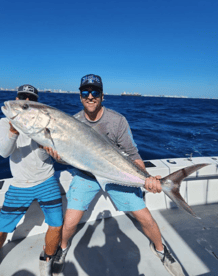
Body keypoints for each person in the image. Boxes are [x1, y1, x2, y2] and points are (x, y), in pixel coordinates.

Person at [46, 74, 185, 276]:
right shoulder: (72, 122)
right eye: (85, 92)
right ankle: (63, 249)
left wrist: (147, 179)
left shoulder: (117, 120)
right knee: (69, 222)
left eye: (95, 92)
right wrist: (58, 157)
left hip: (116, 175)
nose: (90, 96)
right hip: (86, 176)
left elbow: (132, 154)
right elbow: (68, 158)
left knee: (145, 218)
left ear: (103, 96)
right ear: (80, 96)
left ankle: (161, 250)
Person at [0, 84, 63, 276]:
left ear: (37, 105)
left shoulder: (44, 124)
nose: (25, 101)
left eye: (31, 100)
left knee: (56, 225)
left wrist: (45, 149)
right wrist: (13, 131)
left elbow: (46, 157)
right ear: (16, 99)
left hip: (46, 179)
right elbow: (3, 152)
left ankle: (46, 261)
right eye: (22, 98)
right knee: (0, 231)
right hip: (20, 185)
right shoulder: (3, 123)